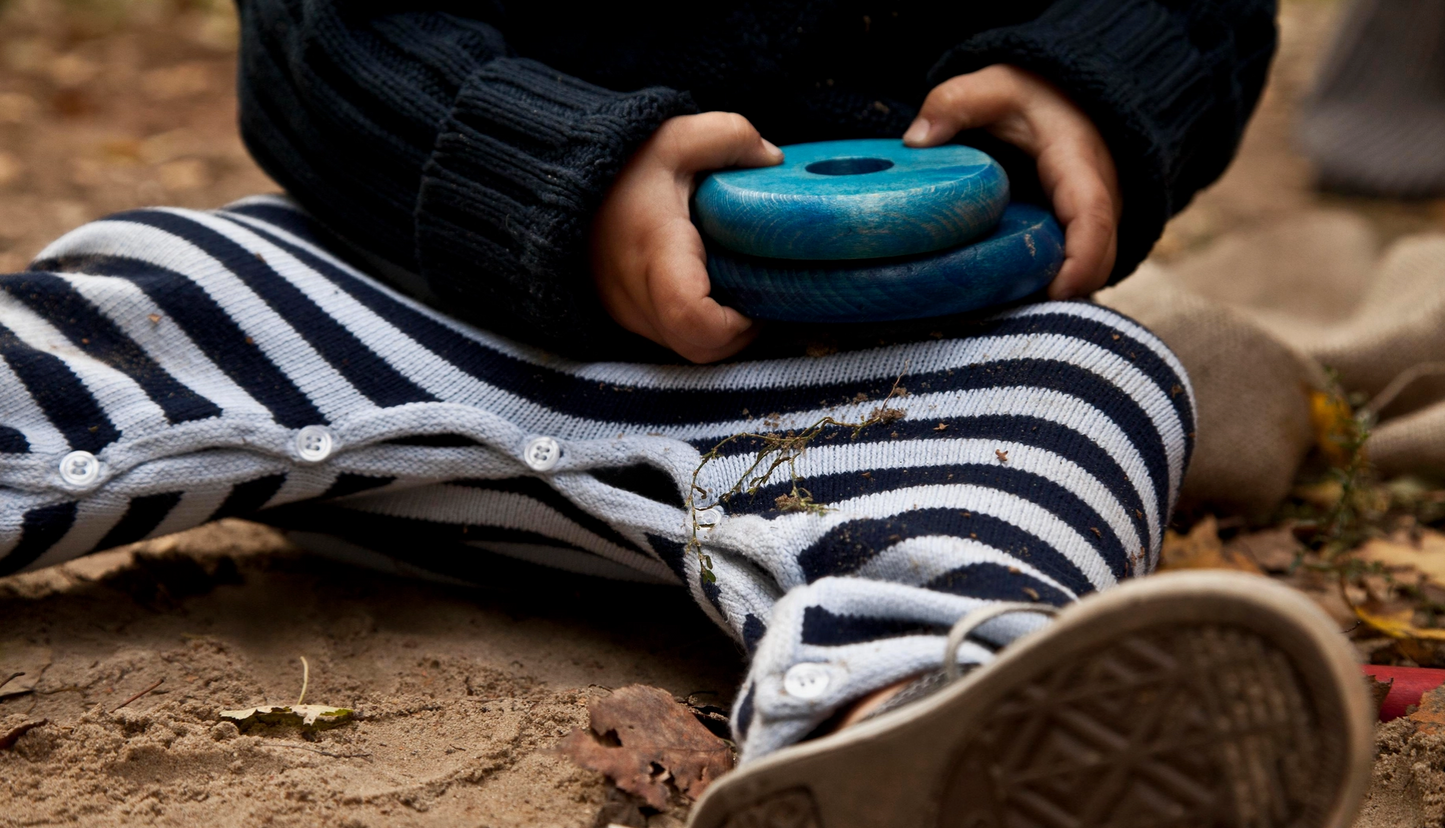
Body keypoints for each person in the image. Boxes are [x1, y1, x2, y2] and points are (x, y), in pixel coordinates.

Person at [0, 1, 1373, 825]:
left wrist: (1092, 77)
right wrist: (544, 165)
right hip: (427, 303)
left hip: (863, 388)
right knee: (163, 285)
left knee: (1095, 386)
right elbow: (321, 34)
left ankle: (905, 712)